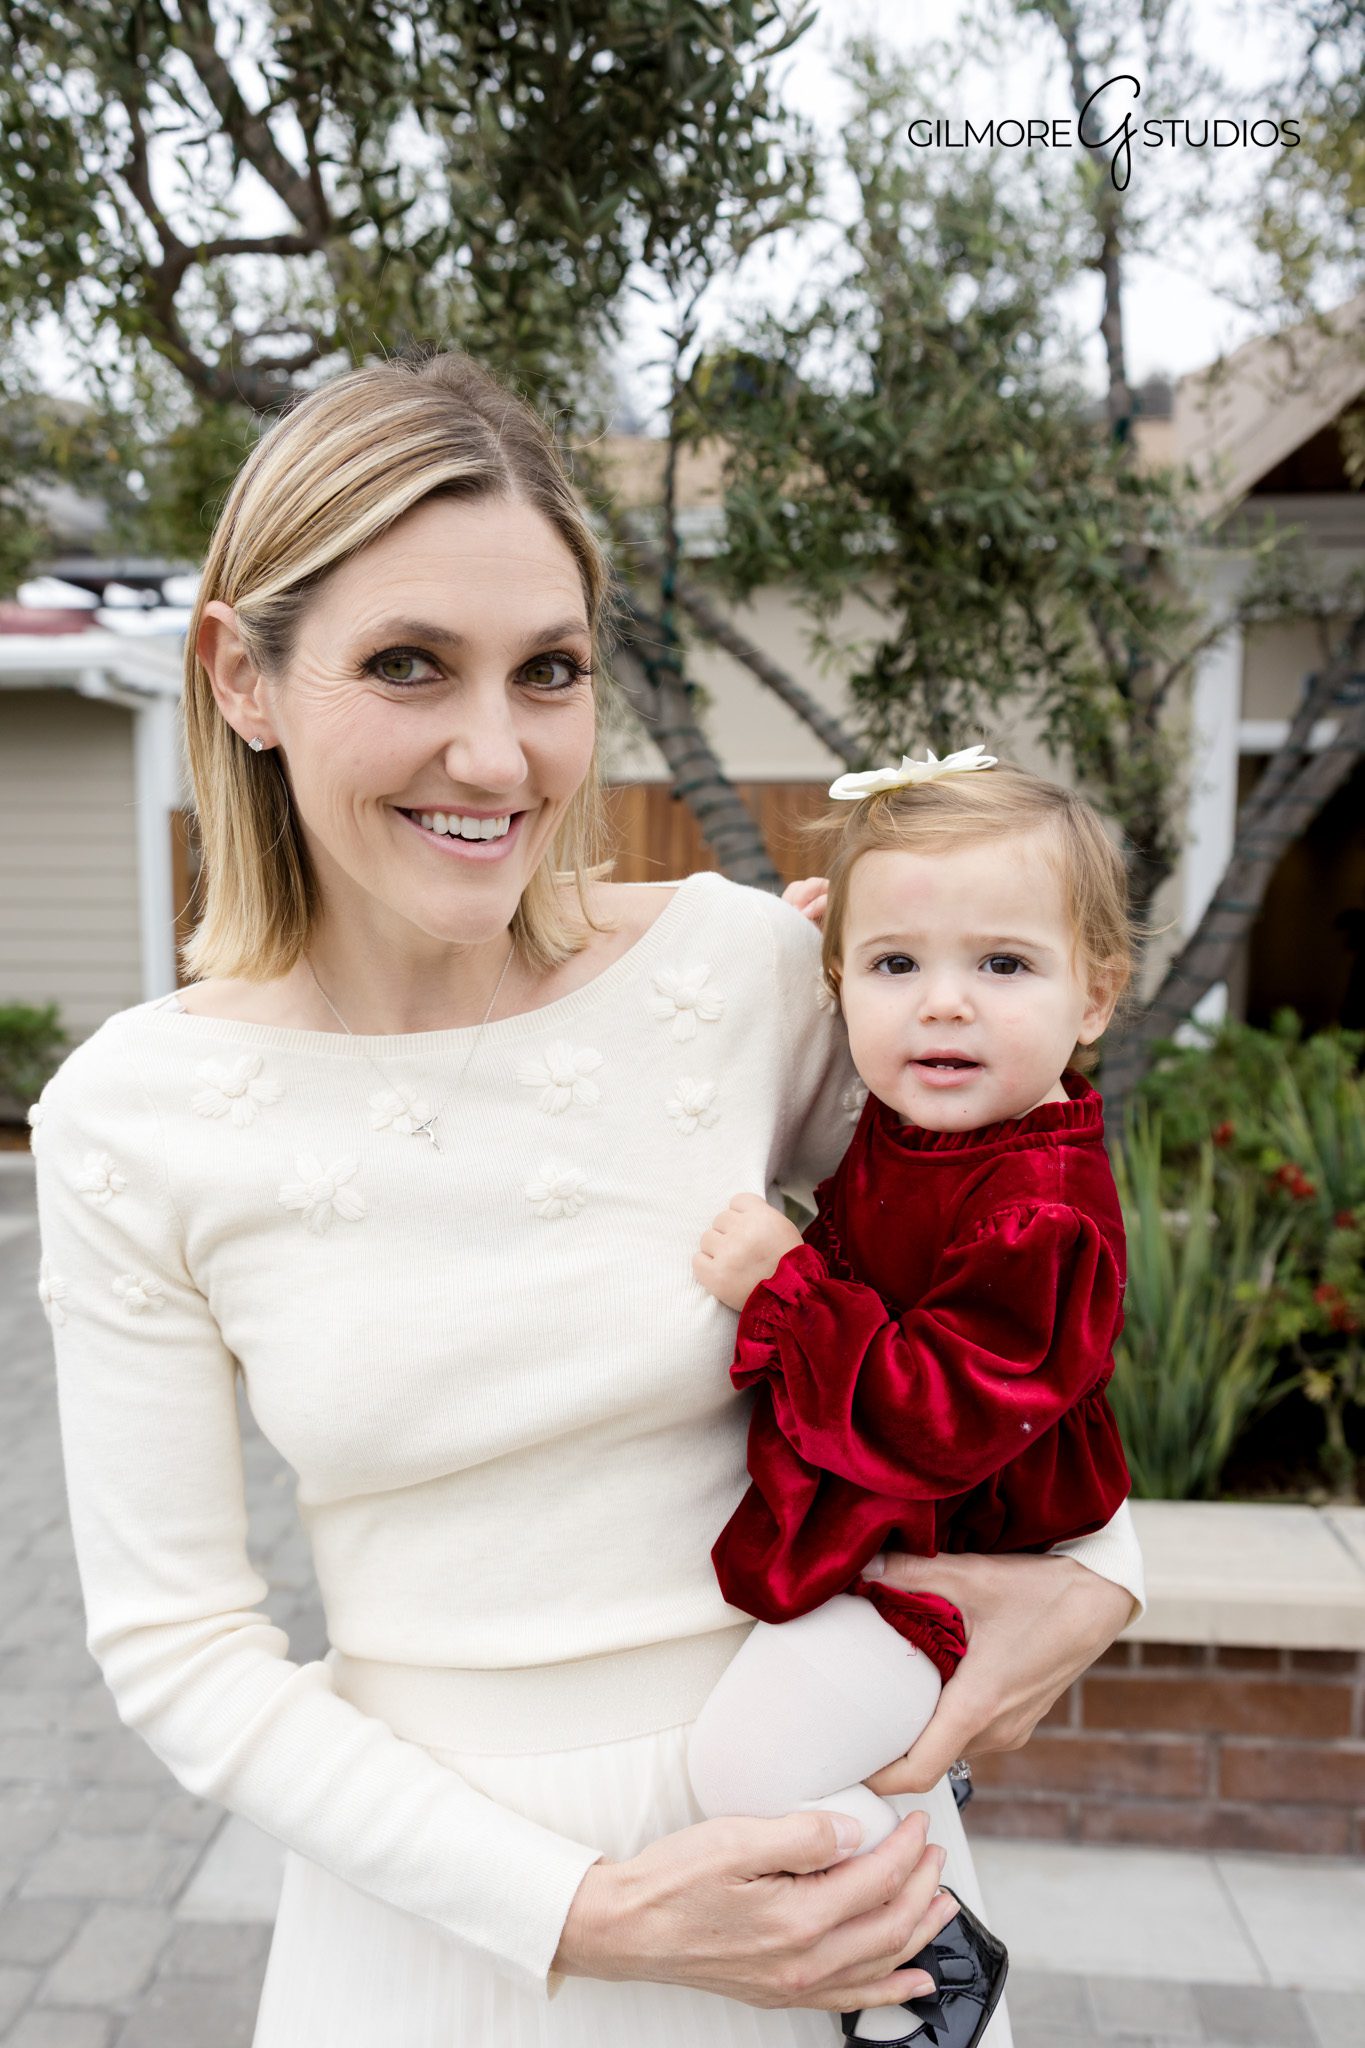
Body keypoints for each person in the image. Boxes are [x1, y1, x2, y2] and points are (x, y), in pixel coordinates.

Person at [29, 349, 1145, 2048]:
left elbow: (1020, 1255)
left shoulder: (750, 973)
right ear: (241, 675)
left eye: (546, 671)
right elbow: (183, 1652)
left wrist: (1100, 1573)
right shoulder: (134, 1118)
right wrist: (588, 1916)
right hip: (444, 1919)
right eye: (409, 665)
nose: (494, 754)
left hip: (824, 1878)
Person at [687, 748, 1137, 2047]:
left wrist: (786, 1285)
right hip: (893, 1524)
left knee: (746, 1764)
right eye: (896, 967)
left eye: (1001, 965)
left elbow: (932, 1416)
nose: (941, 1007)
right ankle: (920, 1847)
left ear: (1093, 993)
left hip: (962, 1542)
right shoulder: (931, 1117)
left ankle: (927, 1958)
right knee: (813, 1760)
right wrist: (794, 948)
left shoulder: (1040, 1209)